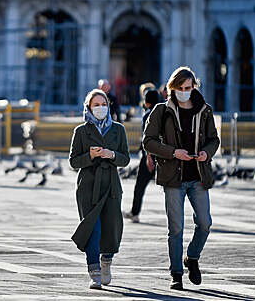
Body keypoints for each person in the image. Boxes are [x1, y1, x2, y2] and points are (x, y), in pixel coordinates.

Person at [143, 67, 219, 290]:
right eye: (180, 89)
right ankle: (176, 273)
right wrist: (174, 152)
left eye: (188, 88)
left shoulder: (205, 110)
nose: (185, 92)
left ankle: (192, 257)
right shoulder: (161, 110)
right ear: (172, 89)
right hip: (173, 177)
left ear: (194, 87)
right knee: (175, 228)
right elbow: (148, 141)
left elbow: (214, 140)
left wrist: (207, 152)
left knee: (205, 223)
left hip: (198, 176)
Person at [69, 89, 130, 289]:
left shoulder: (118, 129)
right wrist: (91, 156)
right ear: (88, 108)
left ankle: (106, 261)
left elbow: (125, 159)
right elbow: (73, 162)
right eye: (96, 105)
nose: (100, 108)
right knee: (92, 230)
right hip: (88, 186)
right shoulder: (81, 131)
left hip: (111, 185)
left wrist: (111, 155)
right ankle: (94, 270)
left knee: (111, 228)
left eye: (103, 104)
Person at [123, 89, 160, 222]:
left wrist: (148, 157)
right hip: (164, 154)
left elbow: (147, 138)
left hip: (150, 155)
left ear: (147, 101)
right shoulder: (164, 112)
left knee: (140, 185)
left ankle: (135, 212)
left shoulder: (148, 115)